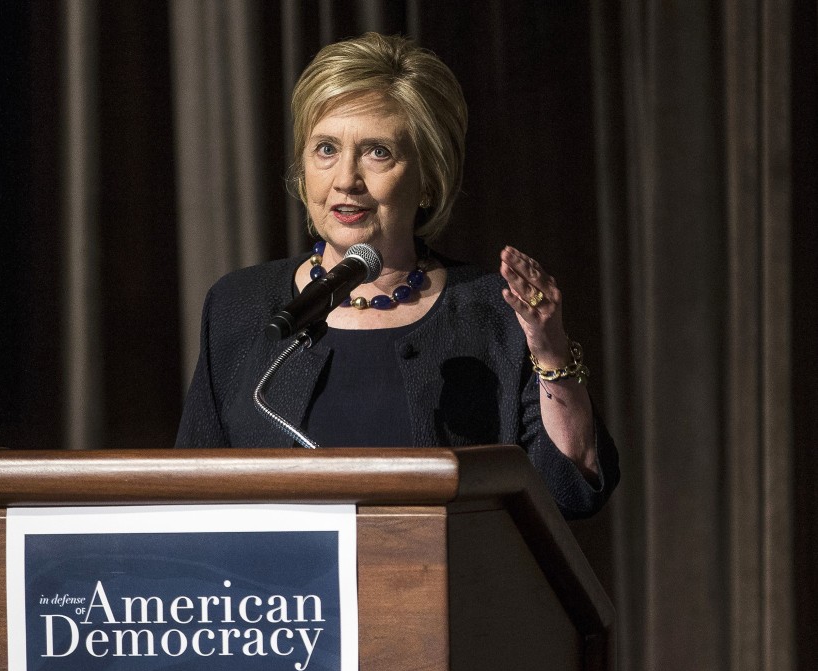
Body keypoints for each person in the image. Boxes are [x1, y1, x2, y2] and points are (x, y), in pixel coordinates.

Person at [176, 32, 619, 519]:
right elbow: (190, 495)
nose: (346, 178)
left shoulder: (493, 309)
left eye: (377, 152)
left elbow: (571, 490)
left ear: (429, 177)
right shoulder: (239, 305)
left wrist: (551, 351)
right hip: (276, 596)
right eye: (325, 148)